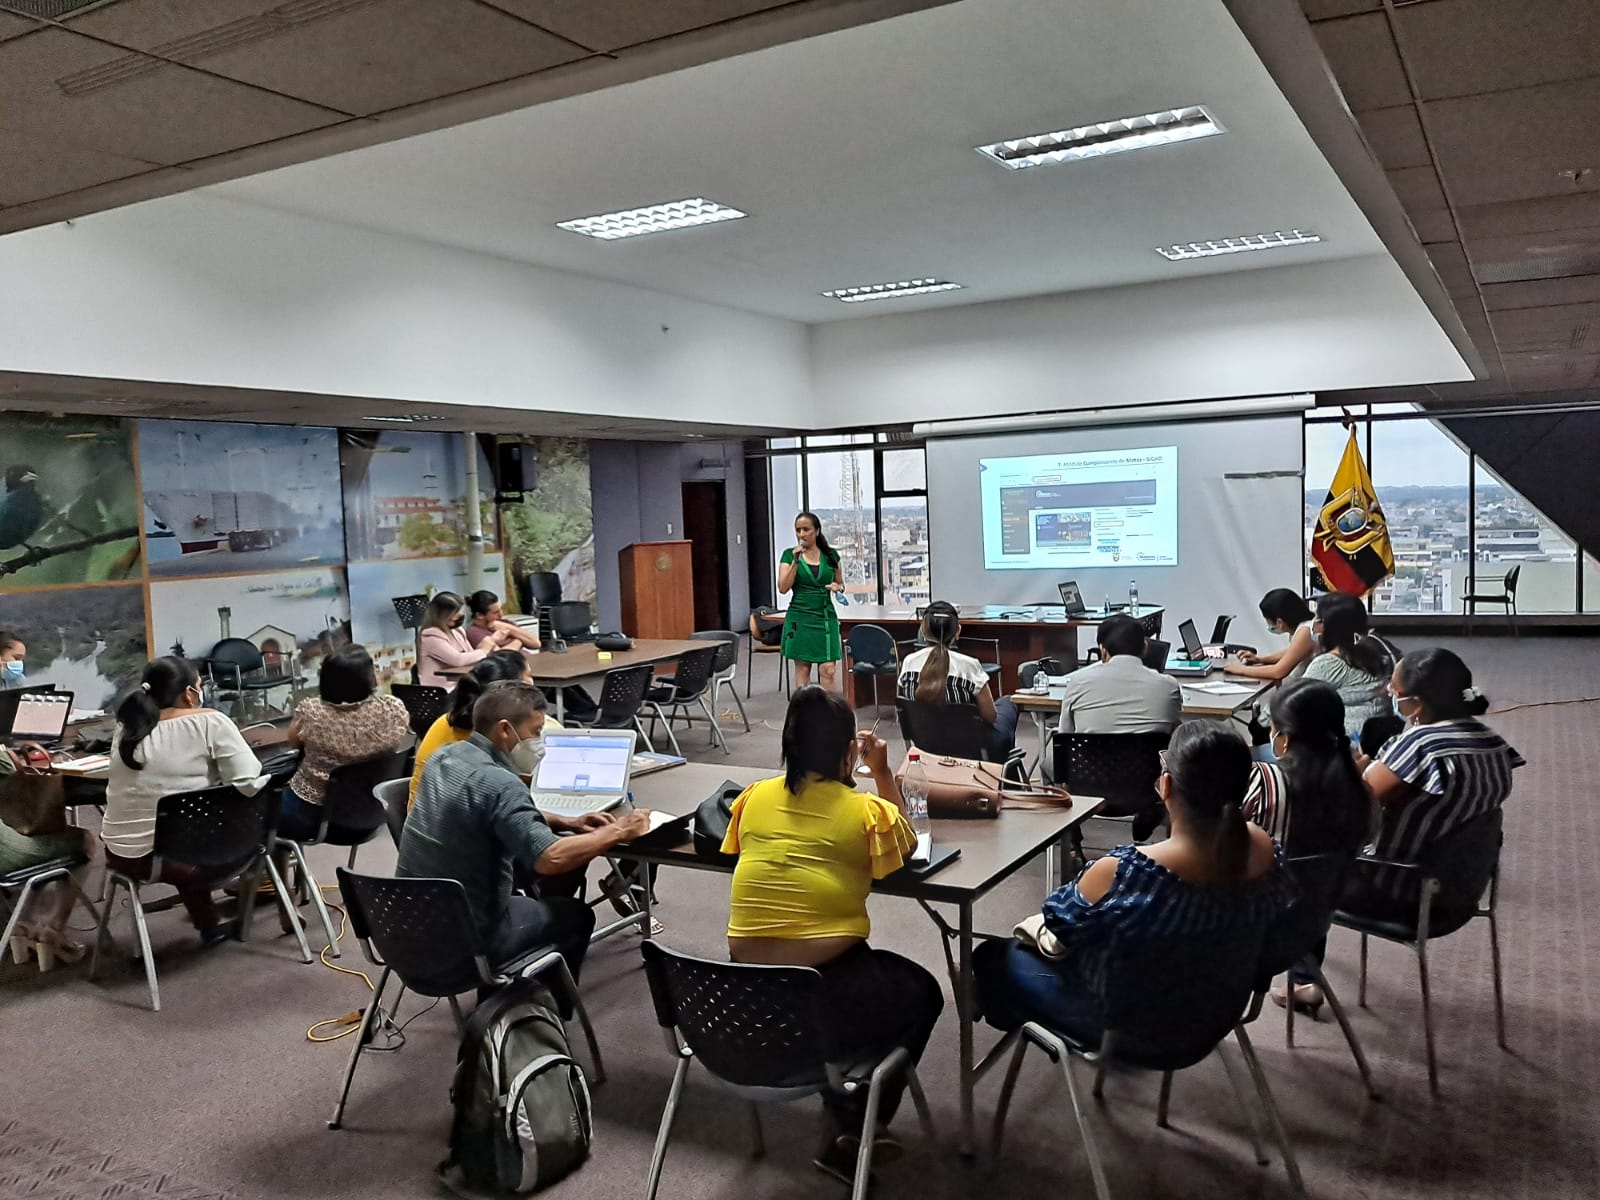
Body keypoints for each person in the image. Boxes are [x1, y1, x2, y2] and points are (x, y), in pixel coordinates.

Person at [721, 686, 943, 1184]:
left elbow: (741, 855)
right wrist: (882, 773)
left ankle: (843, 1104)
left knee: (862, 990)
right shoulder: (866, 812)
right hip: (823, 992)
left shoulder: (752, 799)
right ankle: (858, 1119)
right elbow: (906, 847)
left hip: (738, 992)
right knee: (923, 993)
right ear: (849, 752)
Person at [974, 722, 1291, 1046]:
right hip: (1217, 1017)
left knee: (991, 957)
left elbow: (1059, 922)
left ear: (1166, 786)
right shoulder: (1265, 849)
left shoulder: (1123, 872)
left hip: (1128, 1029)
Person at [399, 681, 649, 988]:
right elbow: (550, 857)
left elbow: (483, 809)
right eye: (536, 731)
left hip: (407, 924)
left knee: (531, 878)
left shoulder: (445, 757)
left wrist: (565, 820)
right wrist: (620, 830)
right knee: (576, 915)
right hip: (467, 943)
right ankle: (538, 1011)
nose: (541, 741)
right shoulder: (501, 782)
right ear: (505, 730)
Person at [102, 657, 269, 947]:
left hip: (123, 855)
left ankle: (208, 924)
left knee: (183, 825)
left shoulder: (127, 727)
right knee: (264, 820)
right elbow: (249, 784)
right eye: (200, 686)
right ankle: (263, 908)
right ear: (189, 694)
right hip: (185, 859)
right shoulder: (210, 721)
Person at [1345, 648, 1522, 922]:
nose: (1389, 696)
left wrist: (1358, 762)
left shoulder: (1420, 746)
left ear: (1415, 704)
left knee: (1298, 864)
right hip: (1460, 889)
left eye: (1394, 691)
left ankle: (1299, 960)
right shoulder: (1494, 743)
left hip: (1398, 889)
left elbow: (1350, 802)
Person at [1243, 678, 1375, 1010]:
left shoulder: (1264, 784)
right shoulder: (1358, 788)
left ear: (1283, 738)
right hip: (1307, 926)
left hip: (1246, 935)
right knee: (1310, 875)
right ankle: (1304, 980)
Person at [278, 645, 411, 842]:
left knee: (263, 812)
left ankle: (286, 869)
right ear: (368, 678)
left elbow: (293, 743)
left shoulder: (311, 712)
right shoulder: (393, 710)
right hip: (374, 812)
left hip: (314, 817)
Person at [409, 650, 560, 806]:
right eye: (528, 675)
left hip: (424, 817)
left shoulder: (444, 721)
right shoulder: (500, 737)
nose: (532, 682)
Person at [0, 742, 97, 970]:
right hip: (5, 854)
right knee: (82, 841)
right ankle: (52, 932)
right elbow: (11, 772)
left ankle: (23, 925)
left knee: (41, 839)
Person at [898, 599, 1019, 759]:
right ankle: (1002, 774)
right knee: (1008, 702)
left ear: (923, 630)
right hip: (973, 748)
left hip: (925, 744)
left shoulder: (908, 663)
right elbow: (991, 717)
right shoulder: (969, 665)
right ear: (958, 630)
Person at [1056, 614, 1181, 735]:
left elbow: (1065, 735)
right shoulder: (1168, 687)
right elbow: (1175, 734)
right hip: (1150, 756)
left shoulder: (1077, 683)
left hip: (1091, 756)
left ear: (1102, 651)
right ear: (1145, 648)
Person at [1301, 592, 1392, 733]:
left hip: (1345, 745)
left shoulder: (1328, 663)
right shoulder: (1379, 653)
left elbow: (1292, 702)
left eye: (1318, 618)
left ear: (1328, 626)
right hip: (1378, 741)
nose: (1314, 623)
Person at [778, 511, 844, 691]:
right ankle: (803, 713)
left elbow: (840, 583)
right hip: (800, 617)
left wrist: (837, 587)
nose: (801, 534)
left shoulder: (831, 556)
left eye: (806, 529)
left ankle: (830, 713)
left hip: (824, 616)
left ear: (816, 531)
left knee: (828, 669)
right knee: (803, 668)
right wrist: (795, 561)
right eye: (798, 530)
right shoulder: (788, 556)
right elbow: (783, 587)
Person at [417, 591, 516, 690]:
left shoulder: (458, 631)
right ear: (443, 616)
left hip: (461, 685)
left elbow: (472, 656)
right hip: (442, 689)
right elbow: (458, 660)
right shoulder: (430, 635)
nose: (459, 616)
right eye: (455, 614)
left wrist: (487, 644)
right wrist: (484, 650)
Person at [1225, 588, 1317, 683]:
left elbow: (1278, 671)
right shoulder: (1303, 627)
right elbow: (1292, 652)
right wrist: (1260, 659)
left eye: (1268, 621)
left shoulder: (1306, 631)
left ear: (1279, 622)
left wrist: (1240, 669)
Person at [465, 589, 541, 652]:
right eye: (495, 612)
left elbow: (536, 644)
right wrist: (519, 641)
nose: (501, 614)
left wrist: (509, 629)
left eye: (500, 609)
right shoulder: (474, 632)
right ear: (480, 615)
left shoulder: (504, 623)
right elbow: (499, 655)